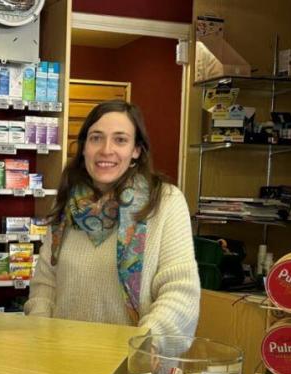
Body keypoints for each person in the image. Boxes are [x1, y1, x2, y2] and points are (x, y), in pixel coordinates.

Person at [24, 100, 200, 336]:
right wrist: (39, 334)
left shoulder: (165, 201)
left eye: (120, 140)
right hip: (62, 361)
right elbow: (45, 285)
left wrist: (150, 342)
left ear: (136, 150)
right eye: (96, 138)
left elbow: (180, 289)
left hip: (132, 362)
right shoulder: (68, 204)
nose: (106, 150)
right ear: (84, 146)